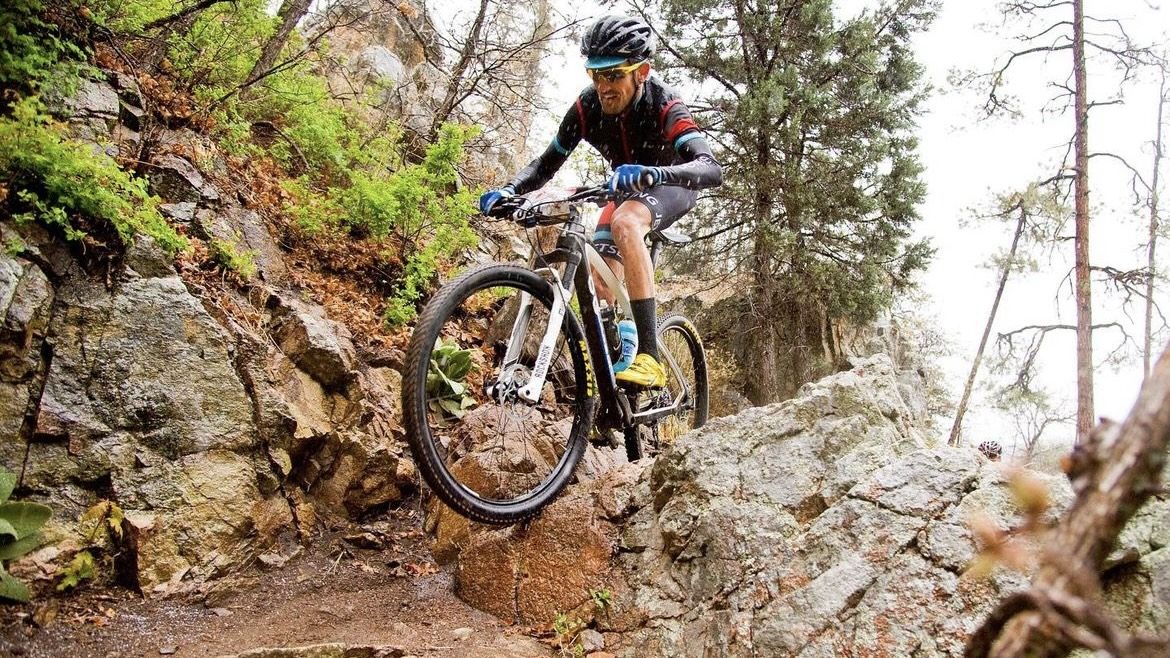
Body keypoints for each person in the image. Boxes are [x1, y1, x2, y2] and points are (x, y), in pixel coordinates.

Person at [479, 15, 723, 388]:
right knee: (601, 281)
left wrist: (656, 173)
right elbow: (546, 163)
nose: (603, 86)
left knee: (625, 222)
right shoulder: (586, 108)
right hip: (625, 191)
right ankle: (616, 387)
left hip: (673, 185)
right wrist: (512, 190)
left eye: (613, 75)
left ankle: (650, 359)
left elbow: (709, 168)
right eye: (595, 75)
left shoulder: (665, 104)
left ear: (641, 71)